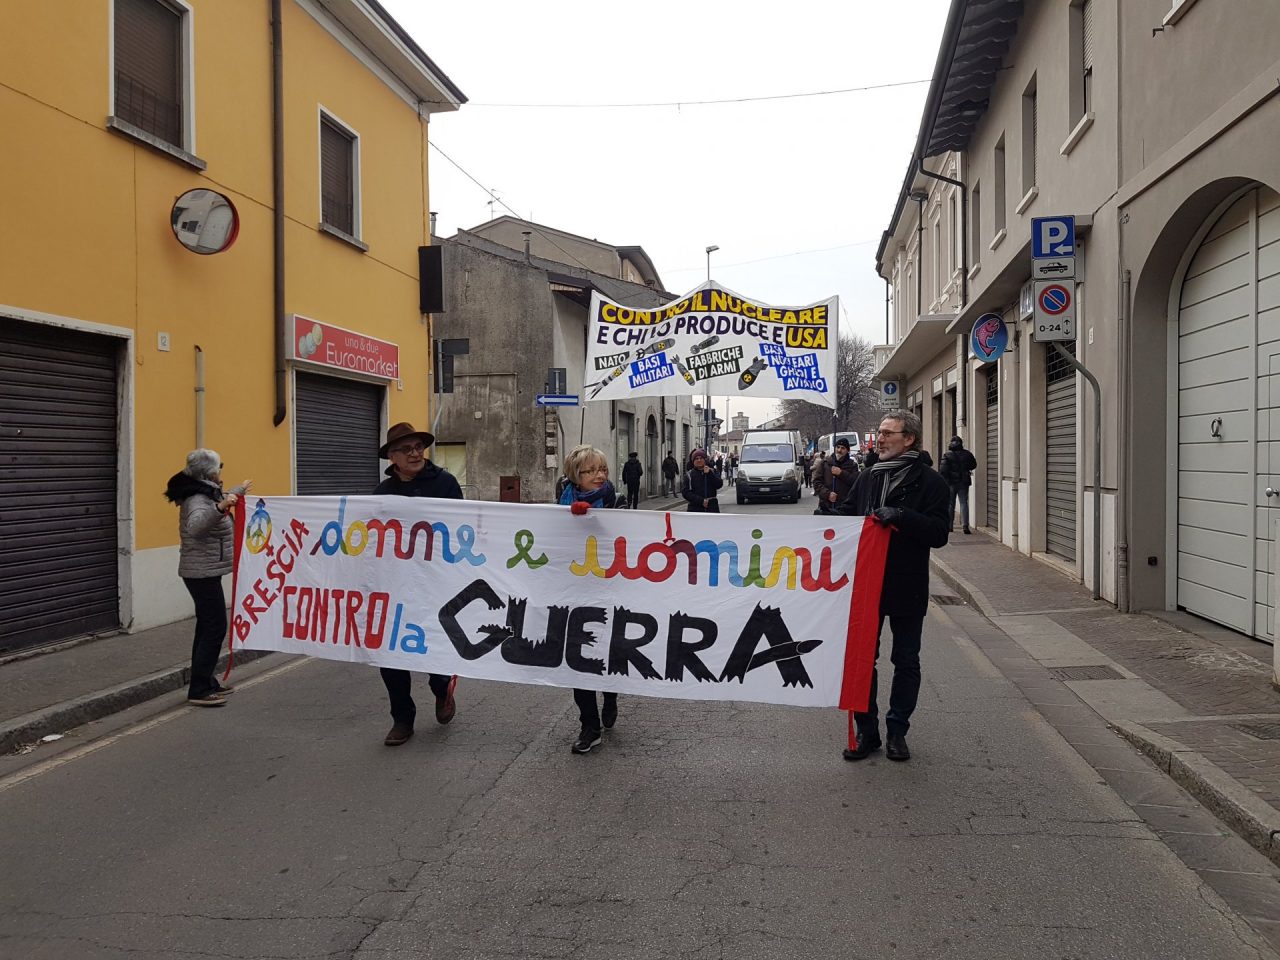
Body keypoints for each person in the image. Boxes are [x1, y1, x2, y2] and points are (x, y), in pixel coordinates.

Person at [837, 410, 949, 763]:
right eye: (880, 433)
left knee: (906, 660)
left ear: (909, 439)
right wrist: (823, 522)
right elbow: (849, 516)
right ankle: (867, 732)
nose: (880, 439)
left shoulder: (931, 482)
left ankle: (898, 730)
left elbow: (939, 533)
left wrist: (902, 516)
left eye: (888, 433)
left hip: (906, 584)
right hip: (866, 584)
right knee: (862, 659)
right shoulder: (869, 477)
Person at [374, 422, 463, 747]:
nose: (415, 454)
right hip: (395, 584)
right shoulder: (382, 493)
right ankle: (402, 719)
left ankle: (442, 687)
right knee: (390, 652)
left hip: (435, 582)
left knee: (431, 643)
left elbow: (462, 527)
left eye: (418, 447)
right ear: (392, 457)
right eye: (406, 449)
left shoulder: (445, 483)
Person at [164, 450, 252, 707]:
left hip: (205, 571)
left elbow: (218, 499)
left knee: (207, 627)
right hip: (200, 572)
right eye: (217, 467)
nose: (219, 471)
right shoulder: (197, 499)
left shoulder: (205, 492)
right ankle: (199, 689)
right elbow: (196, 527)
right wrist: (221, 508)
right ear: (207, 472)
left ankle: (206, 682)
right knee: (214, 628)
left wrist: (238, 491)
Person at [559, 444, 622, 754]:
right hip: (574, 591)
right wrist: (567, 519)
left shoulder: (613, 499)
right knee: (578, 658)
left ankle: (610, 695)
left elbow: (623, 538)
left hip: (609, 589)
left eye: (603, 469)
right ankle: (589, 726)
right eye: (592, 470)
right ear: (575, 475)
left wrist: (594, 520)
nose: (600, 475)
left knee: (607, 653)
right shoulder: (562, 502)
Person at [938, 435, 978, 534]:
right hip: (963, 482)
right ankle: (965, 526)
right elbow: (973, 465)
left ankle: (949, 526)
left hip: (951, 483)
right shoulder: (967, 454)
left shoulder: (947, 455)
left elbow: (943, 470)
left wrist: (945, 480)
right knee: (964, 503)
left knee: (950, 504)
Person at [813, 437, 858, 514]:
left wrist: (841, 473)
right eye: (838, 447)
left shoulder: (853, 465)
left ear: (847, 450)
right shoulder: (825, 463)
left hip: (845, 508)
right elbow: (817, 482)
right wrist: (827, 494)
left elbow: (855, 482)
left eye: (843, 448)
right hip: (827, 507)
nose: (839, 450)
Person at [681, 448, 723, 512]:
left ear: (705, 460)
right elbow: (685, 492)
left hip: (712, 508)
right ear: (693, 461)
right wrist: (701, 501)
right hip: (695, 509)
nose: (699, 460)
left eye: (701, 458)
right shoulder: (689, 475)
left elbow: (719, 484)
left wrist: (710, 474)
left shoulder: (712, 471)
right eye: (696, 459)